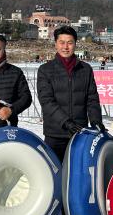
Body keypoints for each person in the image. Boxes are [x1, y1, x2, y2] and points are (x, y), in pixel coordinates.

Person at [37, 25, 104, 162]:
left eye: (70, 42)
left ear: (75, 44)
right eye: (62, 42)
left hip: (80, 132)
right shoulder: (45, 70)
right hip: (55, 134)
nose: (65, 47)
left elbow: (92, 99)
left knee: (78, 173)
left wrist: (96, 121)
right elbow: (46, 101)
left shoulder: (85, 69)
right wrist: (66, 123)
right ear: (56, 44)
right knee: (54, 173)